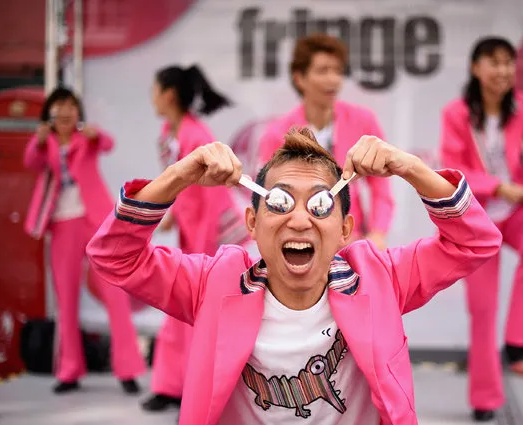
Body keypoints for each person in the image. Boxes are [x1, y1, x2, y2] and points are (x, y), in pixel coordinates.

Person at [87, 127, 502, 424]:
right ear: (252, 222)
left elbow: (476, 242)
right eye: (281, 203)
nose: (300, 219)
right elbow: (113, 256)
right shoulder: (215, 283)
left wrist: (410, 168)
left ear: (344, 229)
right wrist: (178, 176)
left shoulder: (380, 279)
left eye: (320, 205)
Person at [439, 36, 523, 422]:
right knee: (482, 311)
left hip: (517, 211)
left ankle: (520, 341)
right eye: (494, 63)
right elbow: (451, 169)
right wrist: (496, 186)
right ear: (476, 68)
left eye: (509, 63)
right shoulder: (457, 113)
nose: (503, 71)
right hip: (477, 218)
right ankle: (484, 397)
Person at [142, 64, 251, 412]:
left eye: (155, 90)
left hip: (215, 241)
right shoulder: (169, 133)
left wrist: (201, 253)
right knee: (179, 315)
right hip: (194, 237)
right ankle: (170, 386)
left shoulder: (196, 136)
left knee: (202, 319)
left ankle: (196, 395)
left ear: (169, 95)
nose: (153, 98)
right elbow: (178, 186)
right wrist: (172, 215)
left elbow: (212, 200)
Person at [23, 87, 145, 394]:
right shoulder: (45, 143)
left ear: (78, 113)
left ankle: (128, 369)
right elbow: (30, 162)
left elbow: (108, 143)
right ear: (49, 116)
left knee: (114, 292)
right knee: (66, 299)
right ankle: (69, 371)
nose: (64, 114)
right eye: (58, 109)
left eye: (70, 108)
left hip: (95, 221)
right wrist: (39, 141)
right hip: (62, 225)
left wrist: (94, 133)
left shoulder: (86, 140)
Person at [259, 33, 394, 250]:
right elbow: (270, 199)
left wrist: (377, 234)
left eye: (338, 71)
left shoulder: (364, 121)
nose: (333, 79)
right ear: (299, 78)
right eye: (323, 71)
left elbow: (382, 189)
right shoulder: (277, 134)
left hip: (353, 242)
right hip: (301, 244)